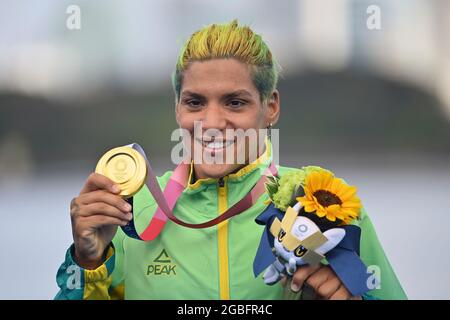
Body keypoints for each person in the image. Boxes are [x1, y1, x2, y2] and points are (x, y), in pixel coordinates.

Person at [55, 20, 406, 300]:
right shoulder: (129, 213)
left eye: (234, 102)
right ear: (177, 108)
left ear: (271, 107)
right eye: (195, 103)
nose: (211, 123)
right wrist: (88, 261)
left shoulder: (326, 203)